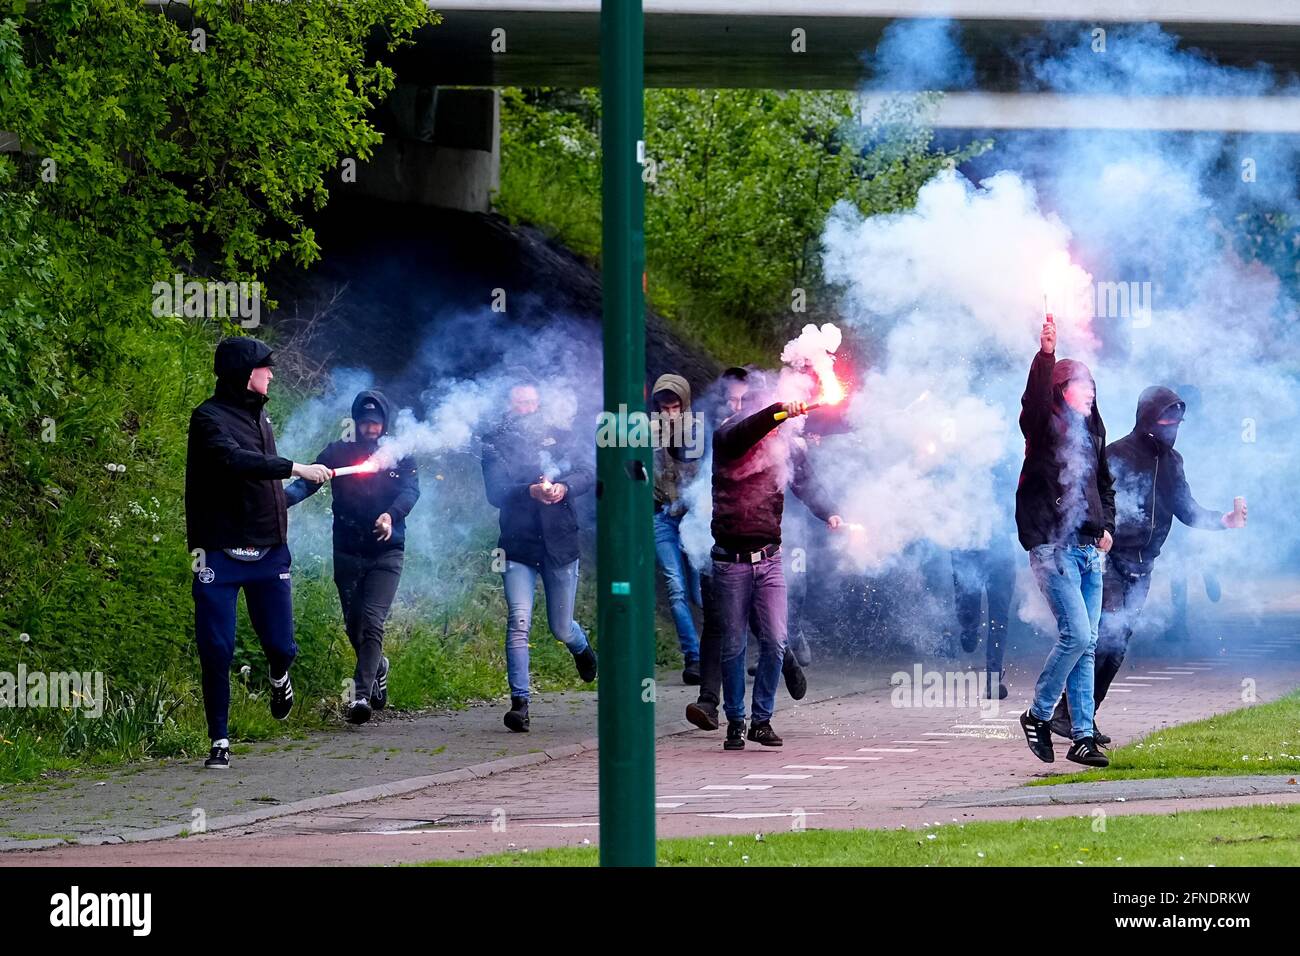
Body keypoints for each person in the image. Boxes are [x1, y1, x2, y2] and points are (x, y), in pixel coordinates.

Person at [1050, 385, 1247, 741]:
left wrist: (1224, 520)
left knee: (1118, 644)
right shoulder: (1115, 454)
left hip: (1144, 567)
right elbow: (1090, 500)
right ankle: (1071, 715)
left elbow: (1188, 509)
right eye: (1165, 419)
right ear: (1146, 417)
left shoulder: (1173, 462)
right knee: (1102, 638)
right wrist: (1096, 533)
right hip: (1108, 560)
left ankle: (1078, 714)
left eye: (1177, 421)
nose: (1172, 427)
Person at [186, 337, 333, 770]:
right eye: (265, 368)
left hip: (269, 553)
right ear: (243, 374)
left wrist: (301, 488)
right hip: (217, 554)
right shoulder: (207, 419)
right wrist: (296, 467)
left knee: (282, 645)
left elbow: (260, 495)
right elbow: (234, 462)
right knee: (216, 648)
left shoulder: (262, 417)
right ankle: (220, 741)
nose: (272, 374)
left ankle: (279, 676)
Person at [710, 372, 842, 750]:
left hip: (770, 557)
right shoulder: (728, 437)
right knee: (734, 645)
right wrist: (778, 411)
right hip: (730, 561)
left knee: (776, 641)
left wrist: (829, 512)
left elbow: (806, 484)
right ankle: (735, 720)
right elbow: (749, 428)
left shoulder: (785, 446)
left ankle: (761, 720)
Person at [285, 389, 420, 725]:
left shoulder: (401, 454)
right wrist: (280, 500)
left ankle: (359, 696)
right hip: (347, 550)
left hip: (387, 553)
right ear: (356, 422)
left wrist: (391, 515)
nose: (370, 428)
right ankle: (379, 667)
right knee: (354, 624)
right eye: (364, 422)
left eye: (376, 423)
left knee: (373, 621)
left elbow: (411, 490)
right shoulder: (337, 452)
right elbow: (309, 483)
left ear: (384, 423)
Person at [1015, 320, 1114, 768]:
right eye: (1080, 385)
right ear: (1062, 390)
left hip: (1090, 550)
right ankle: (1037, 715)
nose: (1090, 391)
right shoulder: (1043, 426)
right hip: (1053, 548)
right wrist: (1046, 355)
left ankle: (1083, 736)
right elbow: (1033, 402)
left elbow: (1104, 485)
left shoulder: (1094, 432)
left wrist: (1104, 524)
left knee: (1088, 642)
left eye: (1092, 385)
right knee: (1076, 634)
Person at [481, 378, 597, 732]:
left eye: (531, 403)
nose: (526, 410)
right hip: (518, 546)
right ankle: (520, 702)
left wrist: (564, 488)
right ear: (509, 407)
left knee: (561, 627)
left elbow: (586, 472)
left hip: (560, 545)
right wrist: (529, 492)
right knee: (519, 621)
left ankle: (581, 647)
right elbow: (496, 493)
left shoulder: (560, 432)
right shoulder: (494, 442)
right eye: (519, 404)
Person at [651, 373, 705, 684]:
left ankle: (717, 650)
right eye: (663, 407)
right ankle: (693, 656)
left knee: (701, 591)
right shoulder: (647, 433)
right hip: (661, 517)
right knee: (676, 587)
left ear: (683, 405)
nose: (668, 412)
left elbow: (706, 472)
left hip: (693, 516)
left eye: (674, 406)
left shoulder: (698, 431)